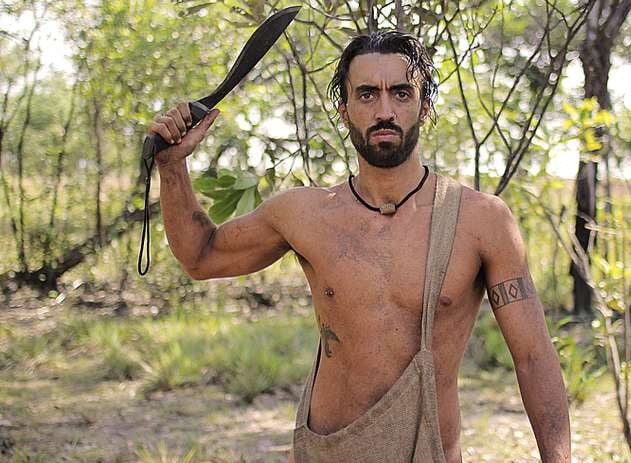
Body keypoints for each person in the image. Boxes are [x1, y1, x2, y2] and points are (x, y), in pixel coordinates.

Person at [148, 31, 570, 462]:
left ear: (424, 106)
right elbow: (200, 257)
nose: (384, 110)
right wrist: (171, 165)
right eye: (367, 94)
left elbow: (534, 357)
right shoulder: (305, 213)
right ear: (343, 108)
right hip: (326, 452)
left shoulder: (480, 220)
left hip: (427, 452)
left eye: (401, 93)